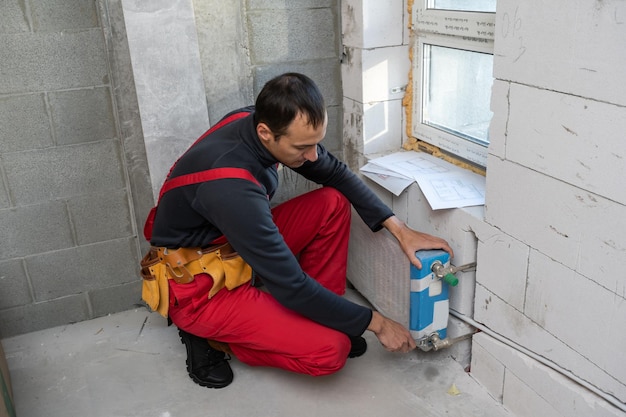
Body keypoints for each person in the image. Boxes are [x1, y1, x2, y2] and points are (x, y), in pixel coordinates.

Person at [145, 72, 453, 388]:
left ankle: (323, 317)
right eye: (303, 147)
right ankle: (209, 336)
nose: (313, 156)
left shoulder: (258, 120)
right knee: (332, 351)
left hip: (230, 247)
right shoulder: (229, 186)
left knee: (332, 202)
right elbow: (290, 286)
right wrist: (377, 323)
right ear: (265, 132)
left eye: (316, 143)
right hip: (200, 287)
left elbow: (334, 173)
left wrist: (400, 230)